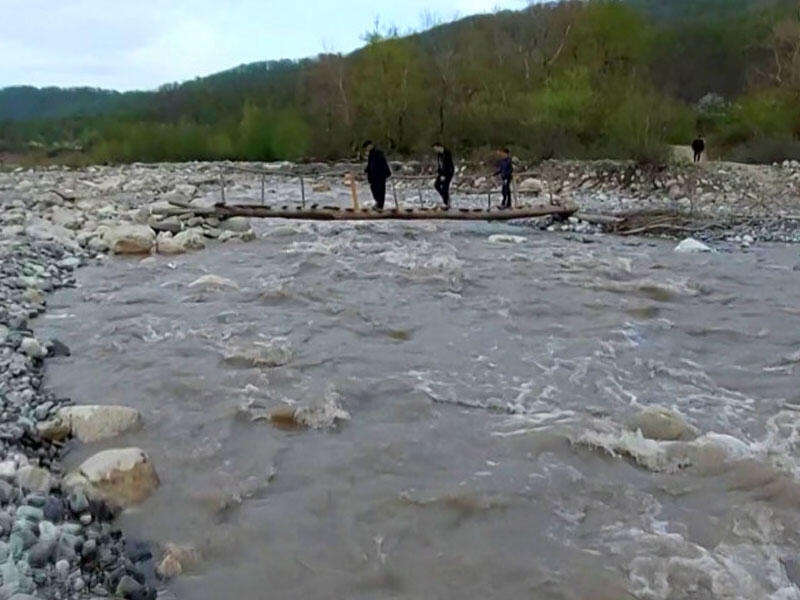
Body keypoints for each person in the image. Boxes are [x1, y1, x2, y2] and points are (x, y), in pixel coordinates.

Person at [363, 140, 392, 209]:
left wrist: (386, 173)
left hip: (380, 175)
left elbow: (383, 163)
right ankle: (378, 203)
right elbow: (370, 165)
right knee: (374, 189)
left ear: (371, 145)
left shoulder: (378, 153)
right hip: (373, 176)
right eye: (366, 147)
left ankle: (380, 205)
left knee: (380, 190)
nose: (367, 148)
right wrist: (366, 171)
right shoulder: (370, 155)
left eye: (368, 146)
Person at [432, 143, 455, 209]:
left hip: (448, 172)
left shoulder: (447, 153)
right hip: (442, 173)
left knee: (445, 187)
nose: (435, 150)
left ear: (439, 147)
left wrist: (444, 175)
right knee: (436, 185)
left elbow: (447, 165)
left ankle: (446, 203)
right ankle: (446, 199)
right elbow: (440, 164)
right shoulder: (439, 155)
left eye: (435, 148)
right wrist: (439, 172)